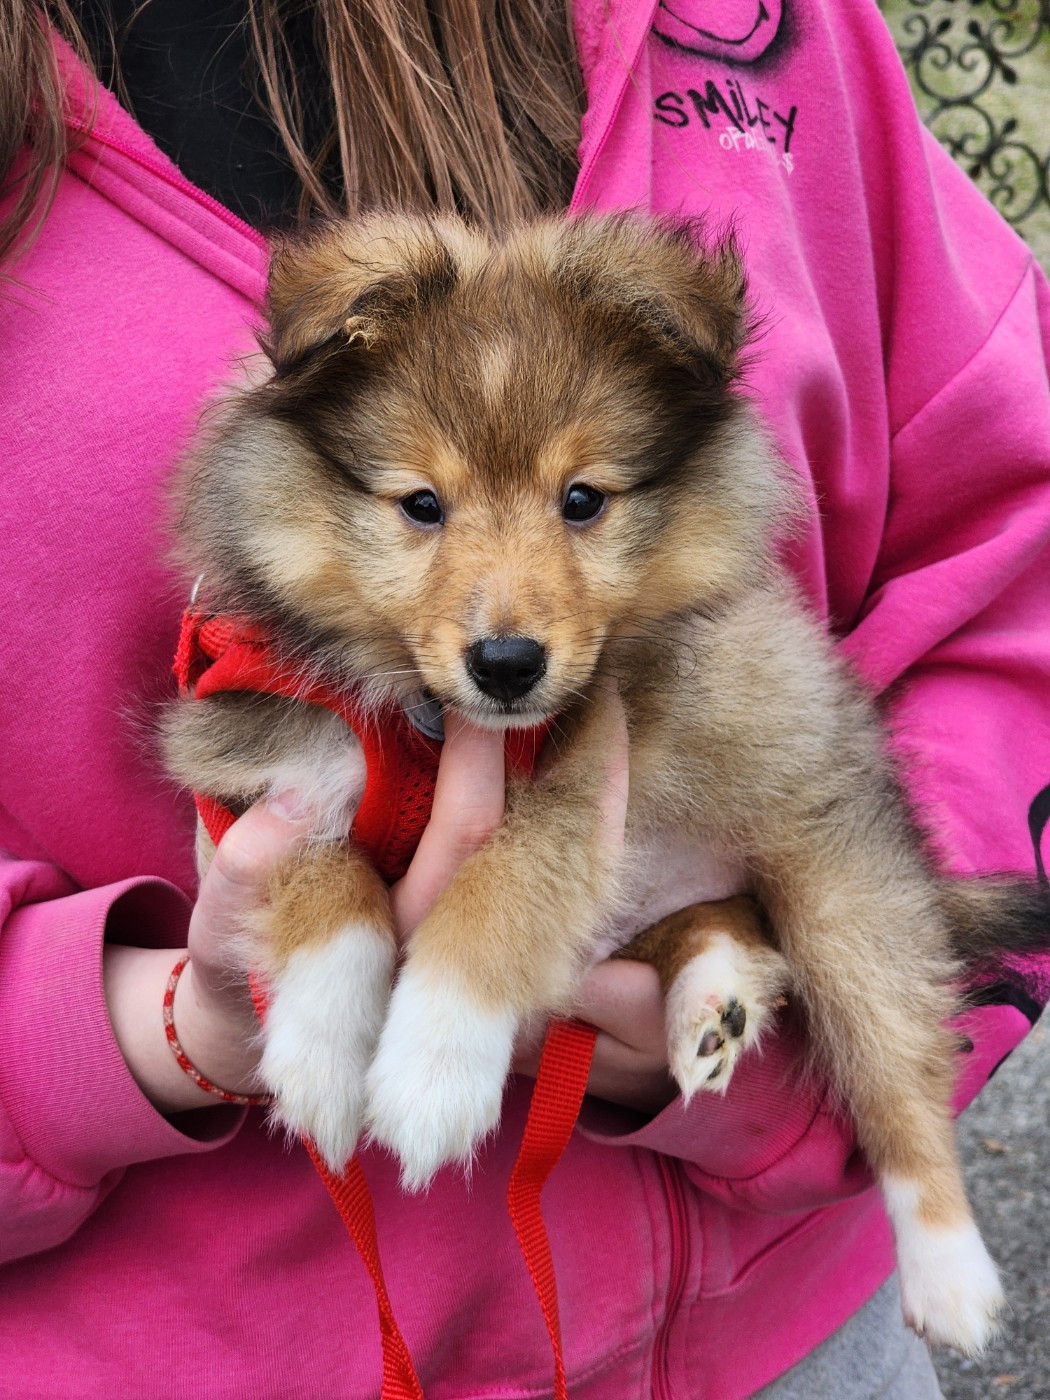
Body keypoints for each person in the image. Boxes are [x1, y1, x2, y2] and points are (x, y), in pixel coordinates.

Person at [2, 2, 1048, 1396]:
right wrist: (153, 1031)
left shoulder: (746, 33)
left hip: (791, 1340)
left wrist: (794, 1053)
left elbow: (1007, 550)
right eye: (422, 506)